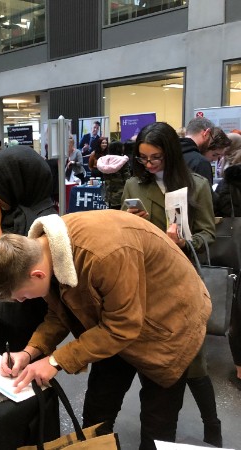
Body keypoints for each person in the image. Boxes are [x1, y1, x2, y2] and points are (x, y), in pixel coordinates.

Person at [0, 210, 211, 450]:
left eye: (22, 297)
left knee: (157, 423)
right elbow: (60, 312)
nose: (23, 302)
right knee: (98, 409)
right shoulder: (44, 251)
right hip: (115, 320)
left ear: (36, 275)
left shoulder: (103, 255)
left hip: (169, 323)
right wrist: (29, 352)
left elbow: (123, 326)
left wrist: (55, 361)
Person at [122, 122, 220, 447]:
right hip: (149, 286)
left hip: (185, 284)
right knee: (158, 362)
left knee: (194, 363)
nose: (149, 166)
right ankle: (161, 430)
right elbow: (123, 233)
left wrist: (183, 241)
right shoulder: (135, 186)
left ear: (171, 154)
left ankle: (212, 424)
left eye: (156, 159)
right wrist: (136, 227)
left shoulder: (198, 186)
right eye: (143, 159)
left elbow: (209, 234)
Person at [0, 145, 56, 354]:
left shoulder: (43, 221)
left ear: (15, 182)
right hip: (5, 309)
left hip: (28, 318)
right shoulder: (14, 213)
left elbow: (7, 266)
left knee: (21, 376)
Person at [213, 163, 241, 391]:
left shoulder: (226, 186)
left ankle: (240, 370)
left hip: (235, 258)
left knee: (238, 315)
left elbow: (214, 216)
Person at [181, 117, 216, 185]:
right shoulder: (201, 162)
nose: (210, 143)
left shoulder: (169, 154)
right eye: (212, 139)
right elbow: (206, 194)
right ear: (206, 133)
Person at [97, 140, 130, 209]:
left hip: (108, 193)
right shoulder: (123, 161)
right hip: (121, 193)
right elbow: (127, 178)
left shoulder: (104, 160)